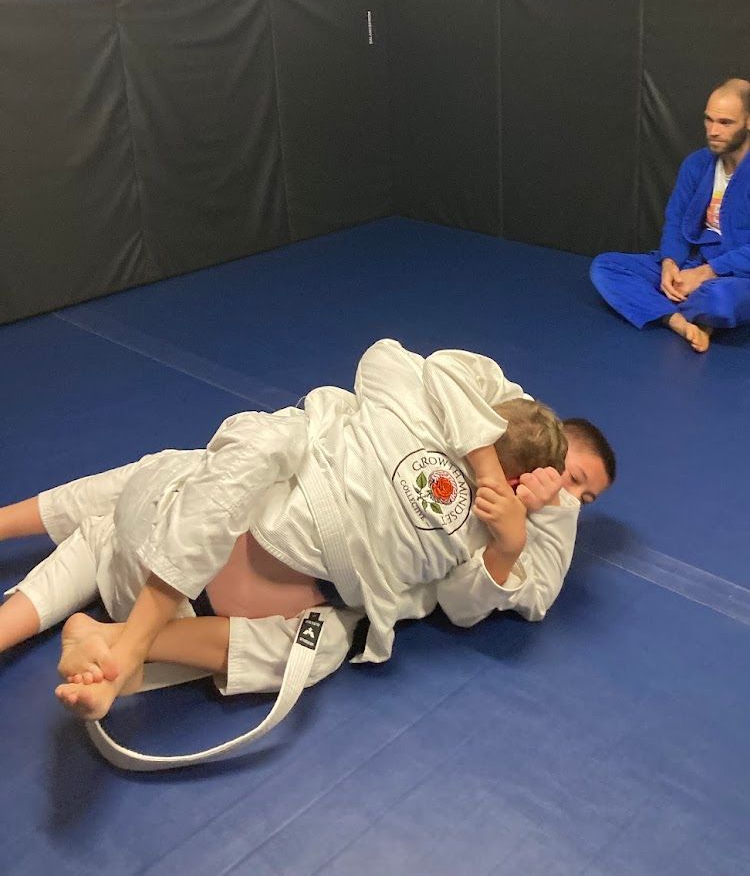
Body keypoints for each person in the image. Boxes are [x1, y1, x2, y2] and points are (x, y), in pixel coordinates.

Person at [0, 339, 615, 726]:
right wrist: (486, 461)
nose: (569, 495)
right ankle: (86, 622)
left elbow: (466, 603)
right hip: (200, 521)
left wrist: (514, 537)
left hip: (233, 611)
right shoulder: (444, 404)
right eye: (574, 478)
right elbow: (392, 358)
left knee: (316, 651)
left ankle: (112, 647)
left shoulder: (504, 527)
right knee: (227, 461)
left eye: (583, 499)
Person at [591, 78, 750, 352]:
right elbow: (676, 220)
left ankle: (681, 307)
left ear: (748, 122)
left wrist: (708, 272)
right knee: (606, 268)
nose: (713, 130)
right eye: (708, 120)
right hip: (693, 259)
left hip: (735, 272)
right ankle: (679, 321)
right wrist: (670, 264)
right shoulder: (697, 164)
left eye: (725, 123)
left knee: (721, 300)